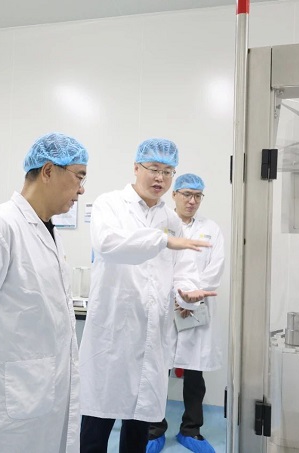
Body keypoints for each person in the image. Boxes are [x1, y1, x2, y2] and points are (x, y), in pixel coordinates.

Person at [0, 132, 88, 453]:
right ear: (48, 171)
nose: (82, 189)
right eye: (79, 176)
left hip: (39, 391)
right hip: (2, 398)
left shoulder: (47, 230)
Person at [79, 138, 217, 453]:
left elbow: (182, 268)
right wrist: (161, 240)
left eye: (167, 172)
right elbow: (108, 244)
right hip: (112, 334)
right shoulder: (110, 204)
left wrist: (187, 293)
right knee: (97, 425)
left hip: (152, 335)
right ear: (136, 168)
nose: (160, 178)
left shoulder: (170, 219)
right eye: (154, 169)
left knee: (139, 424)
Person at [147, 174, 225, 453]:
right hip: (166, 308)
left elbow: (215, 267)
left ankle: (191, 430)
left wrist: (192, 298)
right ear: (174, 195)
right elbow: (154, 265)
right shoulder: (161, 224)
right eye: (187, 194)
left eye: (198, 196)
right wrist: (177, 297)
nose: (192, 201)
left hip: (197, 309)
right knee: (158, 371)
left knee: (194, 373)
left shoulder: (211, 229)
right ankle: (154, 429)